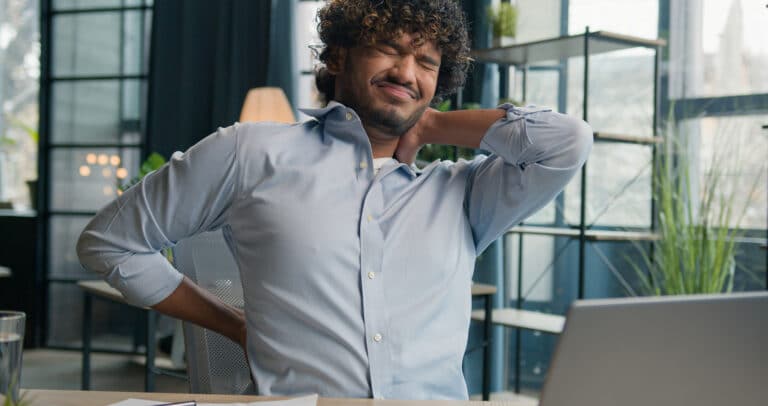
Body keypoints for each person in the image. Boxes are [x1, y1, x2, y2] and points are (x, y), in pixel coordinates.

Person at [77, 0, 592, 400]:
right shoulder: (250, 152)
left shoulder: (466, 192)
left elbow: (568, 141)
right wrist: (233, 325)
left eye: (426, 63)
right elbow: (108, 244)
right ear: (339, 54)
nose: (407, 73)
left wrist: (430, 122)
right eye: (389, 49)